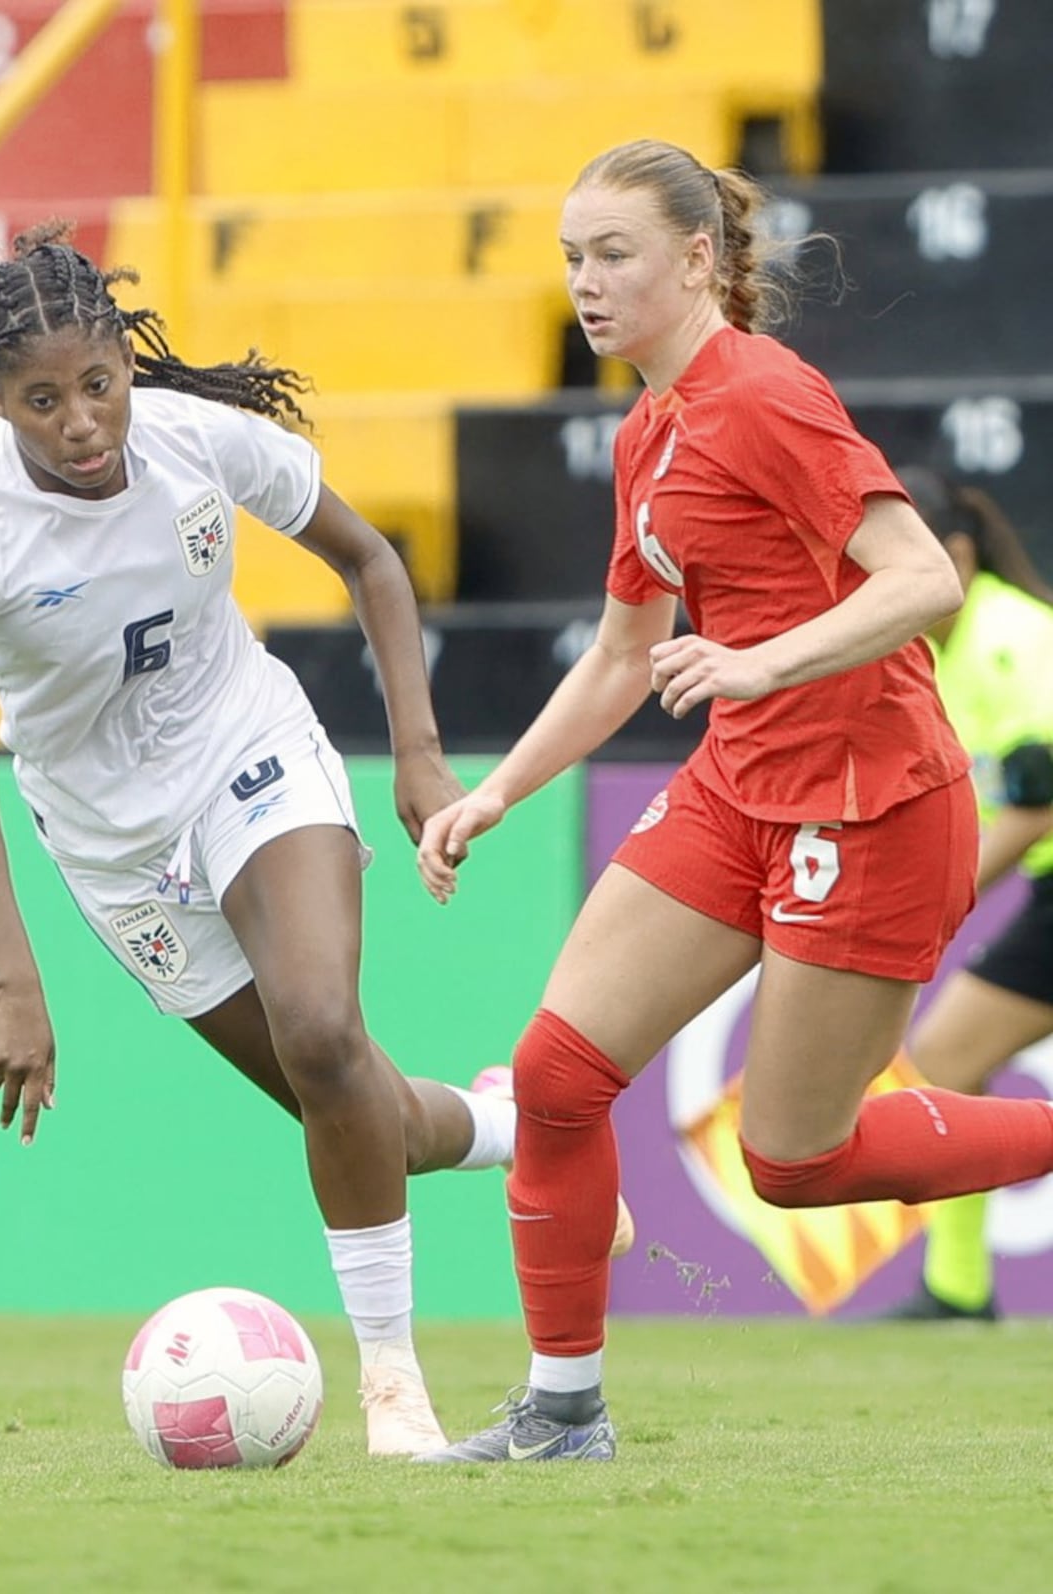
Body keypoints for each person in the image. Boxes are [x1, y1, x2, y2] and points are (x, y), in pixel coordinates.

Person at [413, 139, 1053, 1463]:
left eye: (615, 254)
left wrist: (760, 661)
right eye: (572, 258)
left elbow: (923, 578)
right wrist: (500, 790)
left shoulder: (764, 395)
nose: (586, 282)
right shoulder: (649, 430)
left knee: (795, 1159)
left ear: (700, 260)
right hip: (737, 787)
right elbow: (622, 653)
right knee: (556, 1075)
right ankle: (562, 1411)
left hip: (868, 801)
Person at [0, 221, 524, 1460]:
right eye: (42, 402)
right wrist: (15, 982)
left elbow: (370, 560)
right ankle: (513, 1128)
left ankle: (393, 1386)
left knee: (324, 1032)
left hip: (248, 749)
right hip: (113, 848)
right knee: (358, 1110)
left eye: (98, 384)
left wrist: (417, 749)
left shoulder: (197, 439)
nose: (82, 423)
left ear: (127, 362)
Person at [878, 467, 1053, 1322]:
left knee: (944, 1059)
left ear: (955, 554)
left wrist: (939, 898)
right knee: (946, 1060)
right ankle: (957, 1289)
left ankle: (957, 1290)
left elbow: (1039, 799)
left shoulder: (1009, 640)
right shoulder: (938, 651)